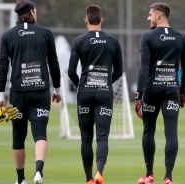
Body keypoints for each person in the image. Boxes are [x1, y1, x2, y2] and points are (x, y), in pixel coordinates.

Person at [0, 0, 62, 184]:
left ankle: (20, 180)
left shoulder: (8, 36)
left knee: (18, 136)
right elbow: (54, 63)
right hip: (41, 92)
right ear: (32, 12)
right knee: (40, 133)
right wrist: (56, 89)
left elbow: (2, 66)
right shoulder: (46, 33)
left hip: (17, 93)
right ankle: (39, 172)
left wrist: (1, 96)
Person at [135, 3, 185, 184]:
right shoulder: (181, 38)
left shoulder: (147, 37)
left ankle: (149, 175)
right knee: (171, 133)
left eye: (150, 15)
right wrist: (182, 92)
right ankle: (168, 177)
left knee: (149, 130)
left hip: (152, 90)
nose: (148, 18)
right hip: (171, 90)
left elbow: (143, 68)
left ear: (159, 16)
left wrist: (139, 95)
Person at [68, 5, 123, 184]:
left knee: (86, 137)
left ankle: (89, 179)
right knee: (102, 136)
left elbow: (70, 71)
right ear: (102, 20)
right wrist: (106, 84)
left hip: (84, 92)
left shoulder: (79, 41)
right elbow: (119, 71)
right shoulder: (113, 41)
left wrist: (80, 86)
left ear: (86, 21)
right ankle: (100, 172)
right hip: (104, 93)